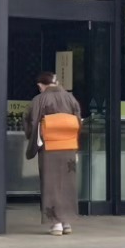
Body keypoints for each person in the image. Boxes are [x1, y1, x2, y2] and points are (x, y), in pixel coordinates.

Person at [24, 70, 82, 235]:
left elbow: (31, 121)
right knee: (68, 184)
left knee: (51, 184)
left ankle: (56, 223)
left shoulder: (40, 99)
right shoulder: (70, 98)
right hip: (68, 146)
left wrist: (32, 138)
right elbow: (78, 121)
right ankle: (67, 222)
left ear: (41, 85)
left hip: (49, 147)